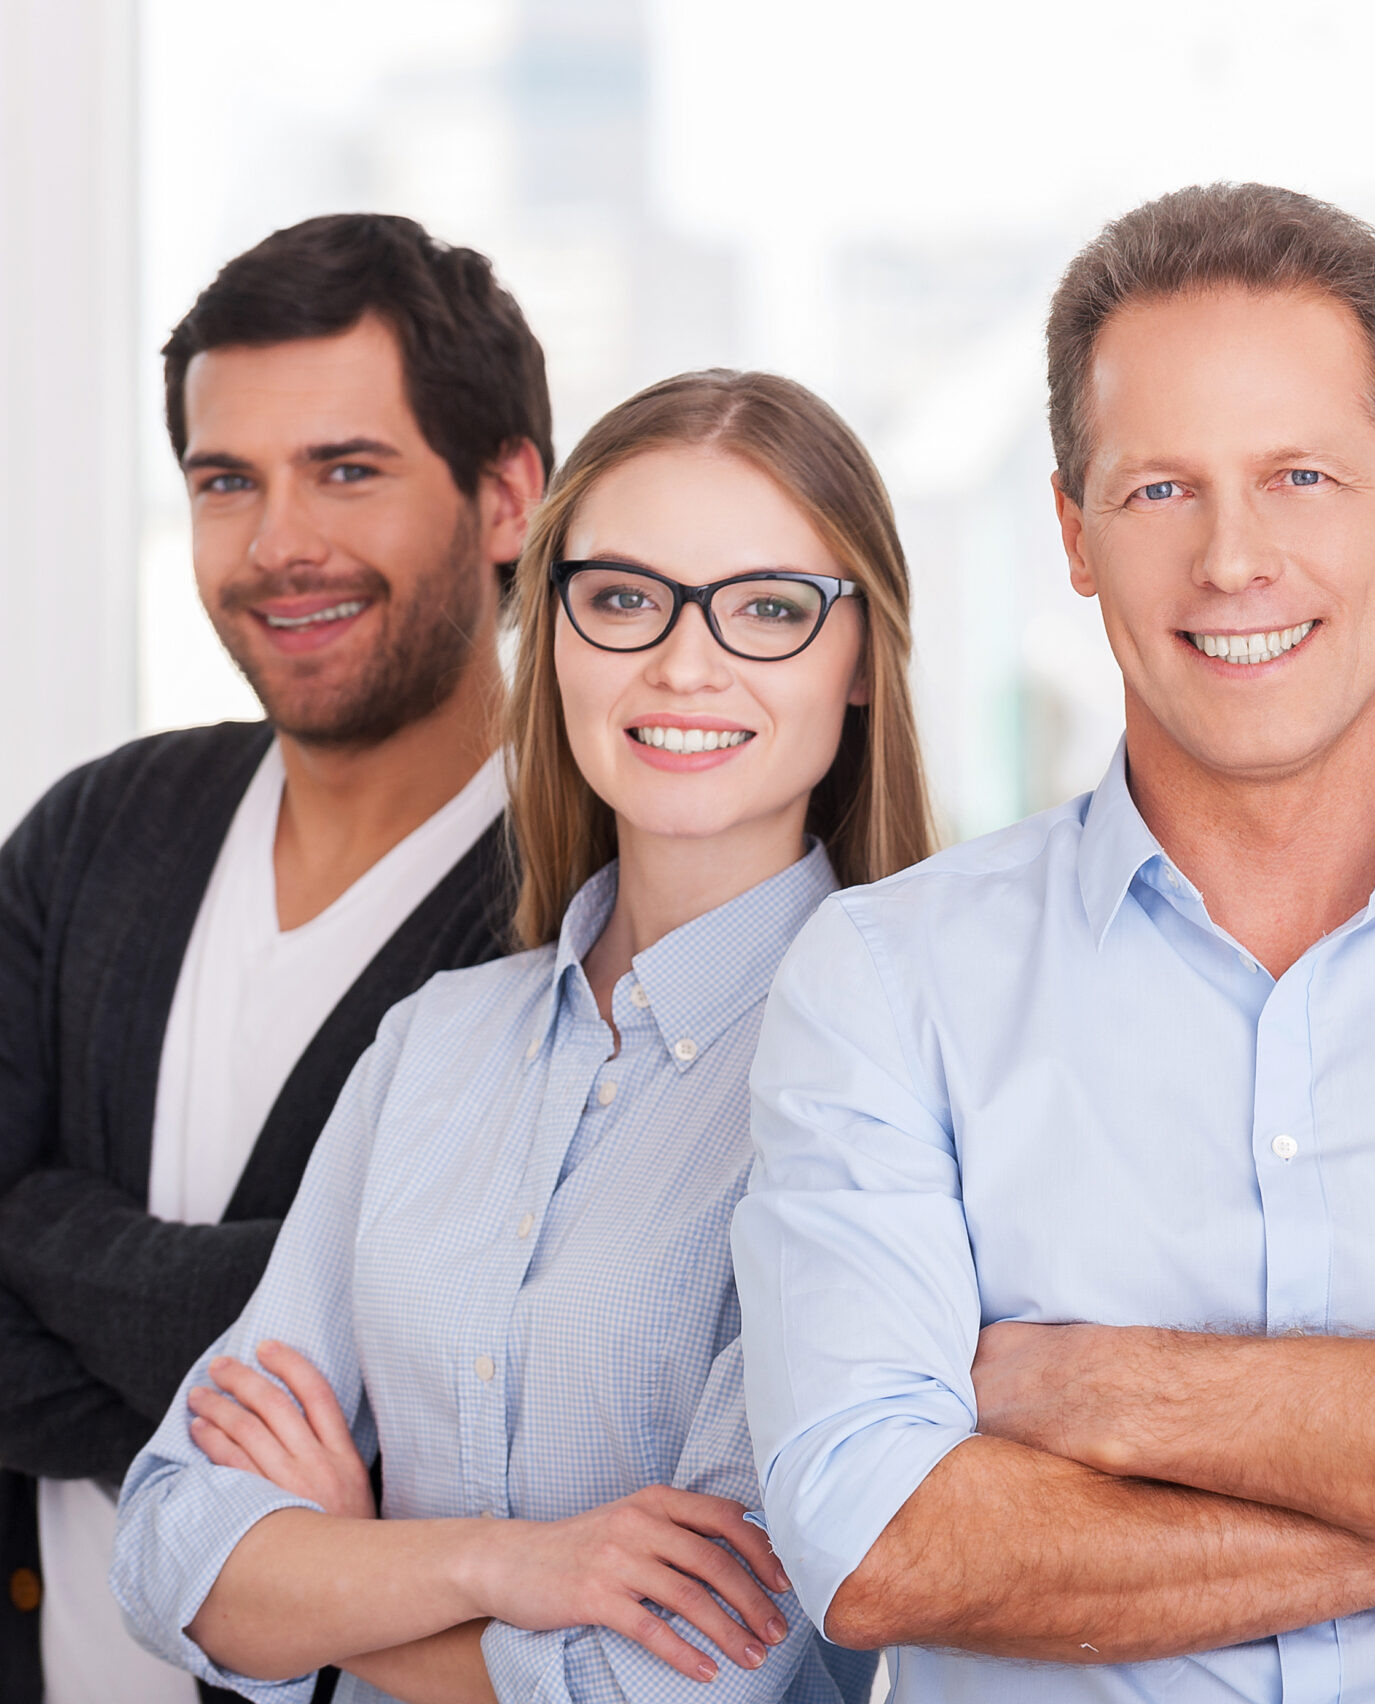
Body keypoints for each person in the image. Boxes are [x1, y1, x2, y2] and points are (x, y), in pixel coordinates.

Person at [732, 182, 1375, 1702]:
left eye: (1301, 475)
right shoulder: (884, 980)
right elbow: (879, 1545)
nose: (1234, 559)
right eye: (1161, 490)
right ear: (1074, 532)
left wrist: (1101, 1393)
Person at [111, 369, 932, 1704]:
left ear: (858, 664)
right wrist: (500, 1566)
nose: (683, 662)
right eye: (622, 598)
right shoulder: (430, 1046)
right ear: (551, 632)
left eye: (770, 608)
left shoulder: (897, 1072)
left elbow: (690, 1672)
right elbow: (165, 1549)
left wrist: (343, 1577)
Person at [0, 213, 550, 1704]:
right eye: (225, 481)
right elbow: (360, 1368)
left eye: (347, 471)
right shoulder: (98, 834)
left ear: (508, 496)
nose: (278, 543)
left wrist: (36, 1231)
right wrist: (258, 1459)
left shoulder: (580, 919)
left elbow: (477, 1379)